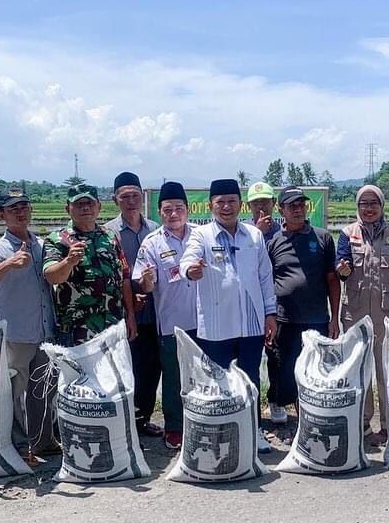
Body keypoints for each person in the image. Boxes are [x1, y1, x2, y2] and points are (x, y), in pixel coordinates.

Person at [180, 178, 277, 453]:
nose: (226, 207)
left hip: (251, 323)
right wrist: (191, 270)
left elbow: (265, 277)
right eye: (220, 202)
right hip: (216, 324)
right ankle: (222, 431)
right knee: (219, 381)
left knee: (251, 380)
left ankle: (253, 429)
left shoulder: (254, 235)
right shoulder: (201, 235)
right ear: (211, 205)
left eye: (231, 201)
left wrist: (270, 314)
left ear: (240, 204)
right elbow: (187, 260)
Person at [0, 188, 59, 466]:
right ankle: (18, 447)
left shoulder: (41, 244)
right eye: (13, 208)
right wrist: (9, 263)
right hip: (16, 333)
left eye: (24, 206)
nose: (20, 212)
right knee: (14, 393)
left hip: (44, 330)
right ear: (2, 215)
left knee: (43, 390)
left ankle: (43, 440)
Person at [335, 184, 389, 446]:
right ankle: (363, 424)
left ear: (382, 205)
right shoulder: (347, 233)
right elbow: (341, 269)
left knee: (387, 369)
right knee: (360, 368)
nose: (368, 209)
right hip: (355, 312)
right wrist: (343, 270)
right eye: (363, 204)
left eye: (373, 203)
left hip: (388, 313)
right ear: (357, 207)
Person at [265, 186, 340, 425]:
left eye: (301, 204)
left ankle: (309, 414)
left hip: (317, 318)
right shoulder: (273, 242)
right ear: (281, 209)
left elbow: (332, 280)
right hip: (284, 318)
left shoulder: (323, 238)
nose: (298, 209)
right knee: (281, 366)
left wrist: (334, 317)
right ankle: (277, 401)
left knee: (315, 370)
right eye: (292, 205)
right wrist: (269, 317)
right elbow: (266, 282)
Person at [133, 181, 198, 451]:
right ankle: (174, 428)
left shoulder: (202, 235)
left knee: (205, 376)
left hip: (207, 322)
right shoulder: (152, 243)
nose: (174, 214)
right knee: (174, 379)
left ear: (188, 210)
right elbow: (143, 284)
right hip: (172, 324)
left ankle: (205, 422)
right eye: (168, 209)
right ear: (160, 212)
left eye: (179, 208)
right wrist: (146, 283)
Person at [42, 184, 138, 346]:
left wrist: (130, 315)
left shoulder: (110, 236)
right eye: (79, 204)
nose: (85, 208)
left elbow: (124, 278)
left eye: (90, 203)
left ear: (99, 207)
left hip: (113, 326)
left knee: (117, 371)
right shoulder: (58, 239)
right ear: (68, 209)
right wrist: (69, 261)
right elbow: (52, 277)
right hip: (78, 331)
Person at [105, 171, 162, 439]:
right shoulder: (108, 233)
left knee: (151, 369)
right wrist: (126, 300)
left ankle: (143, 419)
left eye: (135, 196)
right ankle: (123, 422)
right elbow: (107, 276)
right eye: (124, 197)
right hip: (123, 314)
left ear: (142, 197)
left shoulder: (156, 230)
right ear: (115, 199)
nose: (130, 202)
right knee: (124, 370)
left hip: (157, 312)